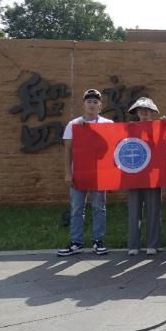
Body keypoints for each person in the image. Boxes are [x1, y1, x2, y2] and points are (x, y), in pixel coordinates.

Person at [57, 89, 113, 257]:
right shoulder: (74, 124)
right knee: (76, 208)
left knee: (99, 207)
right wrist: (68, 172)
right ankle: (76, 242)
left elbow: (113, 148)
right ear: (83, 105)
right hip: (79, 172)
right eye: (89, 101)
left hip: (99, 173)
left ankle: (98, 240)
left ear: (100, 106)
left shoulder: (107, 124)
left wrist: (111, 175)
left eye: (95, 102)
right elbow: (68, 150)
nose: (92, 105)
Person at [127, 97, 162, 256]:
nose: (144, 112)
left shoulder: (159, 128)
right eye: (141, 110)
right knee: (134, 209)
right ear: (136, 112)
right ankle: (133, 244)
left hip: (152, 174)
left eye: (147, 110)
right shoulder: (129, 128)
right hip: (133, 173)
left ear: (152, 112)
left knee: (153, 209)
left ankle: (152, 244)